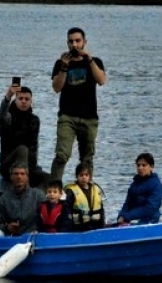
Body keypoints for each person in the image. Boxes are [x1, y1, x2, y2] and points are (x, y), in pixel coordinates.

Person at [50, 27, 107, 182]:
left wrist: (89, 59)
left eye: (77, 41)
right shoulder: (60, 63)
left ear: (84, 42)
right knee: (62, 154)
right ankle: (54, 188)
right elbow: (56, 88)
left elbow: (101, 80)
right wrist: (63, 66)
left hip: (89, 117)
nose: (74, 45)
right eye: (71, 41)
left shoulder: (95, 62)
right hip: (67, 116)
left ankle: (86, 189)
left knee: (87, 158)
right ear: (67, 43)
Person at [0, 82, 47, 187]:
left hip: (29, 167)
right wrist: (8, 96)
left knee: (50, 179)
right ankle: (24, 188)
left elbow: (34, 146)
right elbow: (0, 117)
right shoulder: (9, 117)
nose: (23, 101)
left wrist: (34, 167)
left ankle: (40, 200)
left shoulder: (34, 120)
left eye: (27, 99)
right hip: (9, 167)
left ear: (31, 101)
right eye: (20, 98)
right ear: (15, 100)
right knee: (22, 149)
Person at [0, 162, 46, 236]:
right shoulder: (4, 198)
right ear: (11, 177)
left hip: (34, 237)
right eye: (16, 174)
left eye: (22, 174)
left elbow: (47, 219)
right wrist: (7, 227)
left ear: (27, 177)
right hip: (12, 238)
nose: (19, 177)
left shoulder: (38, 195)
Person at [116, 153, 162, 225]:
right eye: (138, 165)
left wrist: (127, 216)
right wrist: (121, 215)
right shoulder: (134, 184)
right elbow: (127, 203)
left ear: (151, 167)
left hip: (150, 220)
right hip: (132, 219)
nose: (140, 168)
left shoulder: (156, 185)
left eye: (144, 165)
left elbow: (150, 208)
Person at [64, 163, 105, 231]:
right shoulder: (71, 191)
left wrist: (102, 225)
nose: (84, 177)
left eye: (86, 175)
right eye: (81, 175)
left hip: (95, 225)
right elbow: (67, 210)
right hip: (79, 227)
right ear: (76, 176)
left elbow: (101, 210)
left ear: (90, 177)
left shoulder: (96, 189)